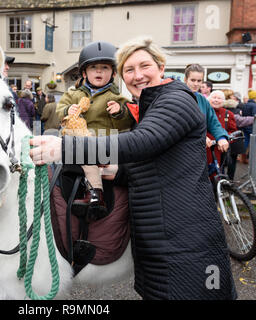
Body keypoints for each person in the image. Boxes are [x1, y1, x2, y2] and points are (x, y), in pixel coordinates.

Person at [30, 36, 237, 300]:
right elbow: (153, 161)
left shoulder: (176, 100)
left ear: (161, 67)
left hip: (186, 241)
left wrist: (65, 149)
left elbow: (141, 142)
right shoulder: (149, 106)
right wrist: (117, 171)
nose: (137, 75)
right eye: (129, 70)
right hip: (158, 242)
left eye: (144, 66)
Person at [56, 41, 136, 218]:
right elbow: (58, 112)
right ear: (84, 72)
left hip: (103, 148)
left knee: (89, 149)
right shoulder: (72, 94)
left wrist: (120, 112)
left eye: (104, 68)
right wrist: (66, 111)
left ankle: (96, 194)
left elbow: (127, 124)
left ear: (113, 73)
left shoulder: (118, 98)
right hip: (73, 145)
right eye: (93, 68)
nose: (99, 71)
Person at [184, 64, 229, 153]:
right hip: (180, 152)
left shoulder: (202, 100)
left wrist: (221, 137)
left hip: (198, 152)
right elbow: (178, 125)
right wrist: (199, 136)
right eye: (192, 80)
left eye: (199, 81)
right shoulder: (176, 97)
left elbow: (213, 122)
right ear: (185, 80)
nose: (196, 84)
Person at [207, 90, 238, 180]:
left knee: (217, 174)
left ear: (223, 101)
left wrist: (224, 139)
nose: (216, 100)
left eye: (219, 98)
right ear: (209, 99)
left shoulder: (228, 114)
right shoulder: (203, 112)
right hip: (204, 147)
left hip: (220, 150)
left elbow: (233, 131)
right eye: (214, 97)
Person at [239, 89, 256, 164]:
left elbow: (242, 115)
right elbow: (254, 116)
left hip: (244, 125)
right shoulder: (254, 105)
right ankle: (251, 159)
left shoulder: (245, 104)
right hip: (252, 126)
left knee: (245, 142)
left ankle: (242, 158)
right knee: (253, 143)